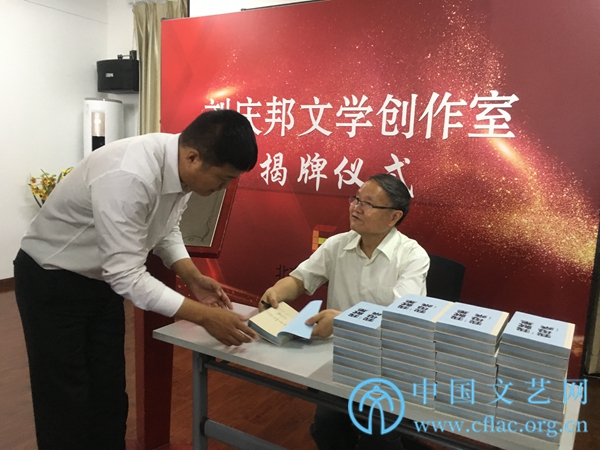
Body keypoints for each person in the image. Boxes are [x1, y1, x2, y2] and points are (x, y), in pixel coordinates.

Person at [14, 109, 259, 450]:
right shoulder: (129, 173)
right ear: (193, 157)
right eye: (223, 178)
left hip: (100, 280)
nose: (224, 188)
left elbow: (164, 228)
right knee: (64, 396)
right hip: (52, 279)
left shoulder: (182, 167)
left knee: (109, 390)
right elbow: (126, 274)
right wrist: (204, 316)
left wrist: (193, 277)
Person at [260, 173, 430, 450]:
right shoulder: (337, 244)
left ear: (394, 217)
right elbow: (301, 279)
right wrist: (277, 292)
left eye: (368, 204)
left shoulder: (412, 256)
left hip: (389, 362)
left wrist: (342, 321)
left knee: (378, 434)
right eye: (356, 199)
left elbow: (403, 317)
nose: (356, 208)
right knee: (327, 425)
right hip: (341, 357)